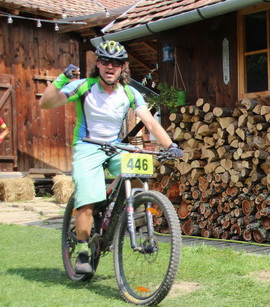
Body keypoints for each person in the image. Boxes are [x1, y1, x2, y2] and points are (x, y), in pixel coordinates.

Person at [40, 40, 183, 274]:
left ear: (123, 66)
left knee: (139, 173)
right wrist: (61, 80)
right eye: (105, 61)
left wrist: (170, 145)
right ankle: (83, 249)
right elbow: (46, 103)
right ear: (98, 63)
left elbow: (149, 121)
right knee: (88, 198)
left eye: (116, 63)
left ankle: (129, 213)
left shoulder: (129, 92)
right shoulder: (83, 86)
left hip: (115, 146)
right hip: (87, 146)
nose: (110, 66)